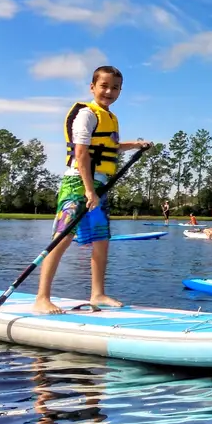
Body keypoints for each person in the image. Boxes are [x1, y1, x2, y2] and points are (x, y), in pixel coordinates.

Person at [33, 65, 151, 315]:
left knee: (101, 239)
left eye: (115, 88)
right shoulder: (87, 114)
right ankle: (42, 298)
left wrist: (135, 145)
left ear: (120, 91)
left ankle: (97, 293)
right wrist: (89, 191)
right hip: (78, 184)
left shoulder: (110, 117)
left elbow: (111, 146)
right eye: (104, 86)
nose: (109, 91)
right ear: (92, 87)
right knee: (62, 238)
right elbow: (81, 153)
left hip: (98, 185)